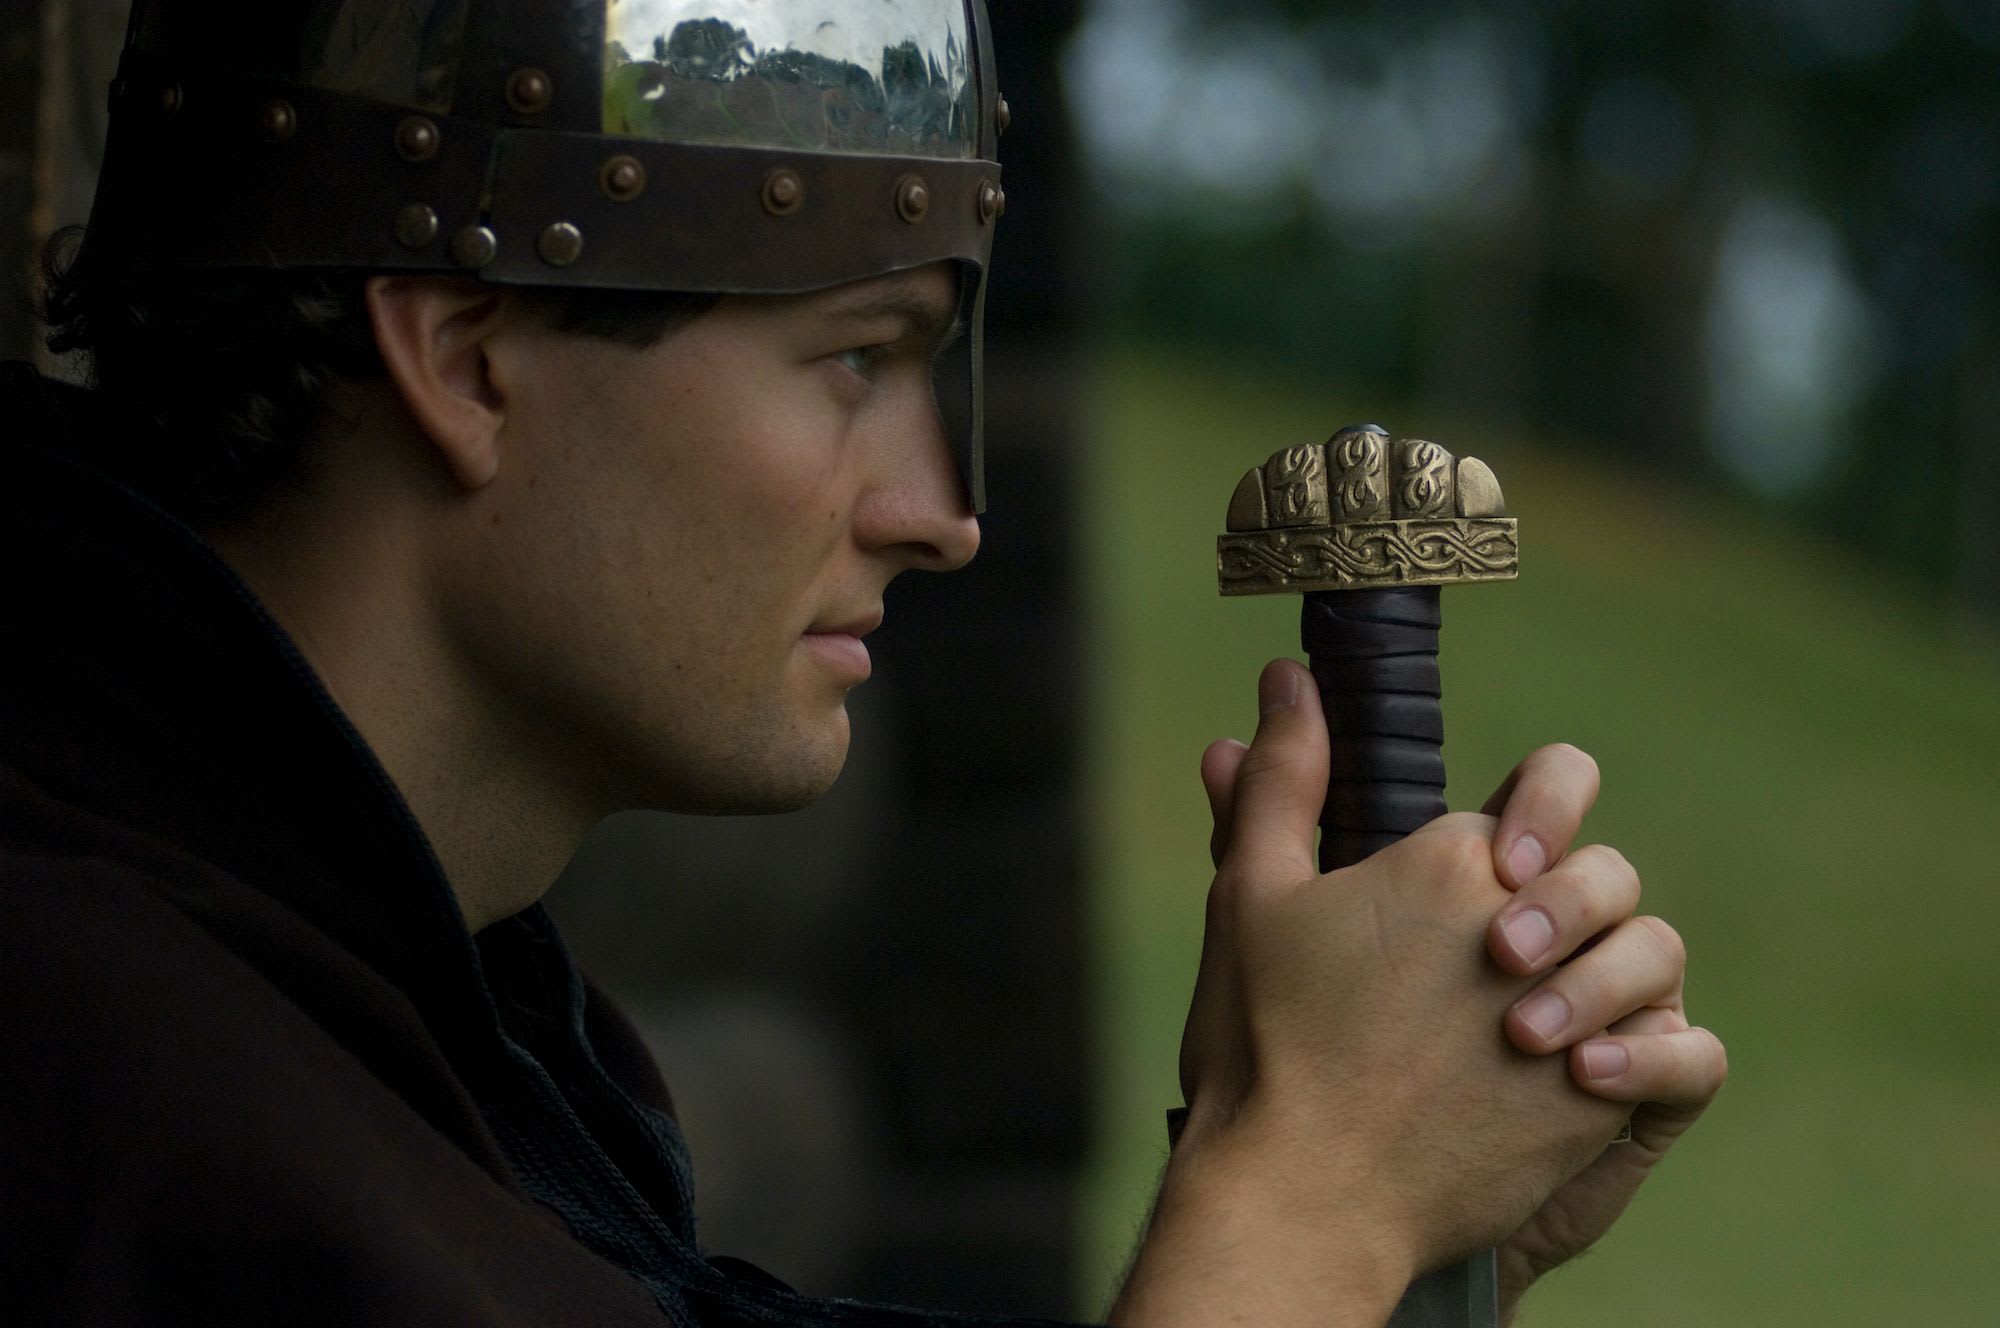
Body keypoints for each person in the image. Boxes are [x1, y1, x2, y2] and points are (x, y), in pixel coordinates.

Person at [0, 2, 1726, 1324]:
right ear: (470, 356)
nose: (940, 515)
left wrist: (1342, 1181)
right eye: (853, 360)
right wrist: (1316, 1208)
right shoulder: (107, 1079)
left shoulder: (449, 1040)